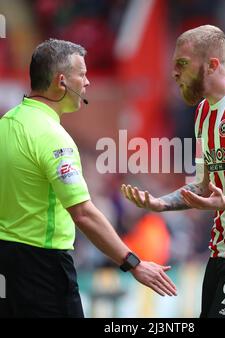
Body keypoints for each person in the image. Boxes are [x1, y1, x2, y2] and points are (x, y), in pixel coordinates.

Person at [0, 39, 177, 318]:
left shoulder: (6, 123)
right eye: (81, 74)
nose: (88, 82)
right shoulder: (53, 137)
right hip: (42, 267)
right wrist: (134, 263)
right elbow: (83, 213)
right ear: (61, 81)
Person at [121, 25, 225, 318]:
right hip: (221, 249)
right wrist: (162, 203)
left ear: (212, 65)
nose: (174, 73)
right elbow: (203, 185)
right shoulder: (203, 113)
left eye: (182, 64)